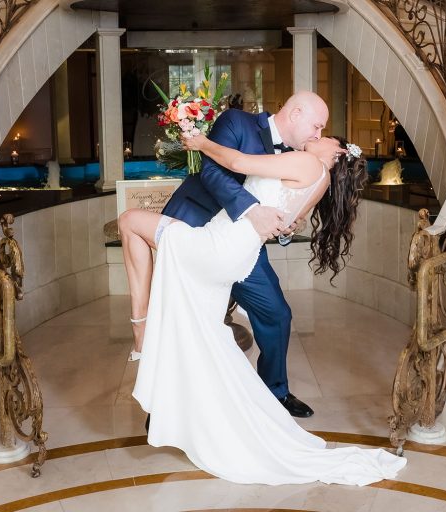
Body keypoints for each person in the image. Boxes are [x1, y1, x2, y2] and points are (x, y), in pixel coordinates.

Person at [116, 132, 407, 486]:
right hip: (235, 254)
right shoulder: (321, 182)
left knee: (130, 221)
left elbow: (239, 163)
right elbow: (285, 222)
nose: (316, 136)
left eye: (323, 136)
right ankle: (198, 411)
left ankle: (141, 331)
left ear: (338, 151)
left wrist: (200, 143)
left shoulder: (309, 163)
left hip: (220, 246)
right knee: (208, 339)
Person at [156, 90, 330, 418]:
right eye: (317, 126)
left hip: (242, 247)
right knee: (181, 316)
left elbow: (278, 202)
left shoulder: (296, 155)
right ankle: (165, 402)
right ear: (295, 114)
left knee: (277, 314)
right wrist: (251, 210)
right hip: (196, 226)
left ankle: (274, 393)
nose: (318, 135)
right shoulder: (237, 121)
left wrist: (286, 223)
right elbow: (210, 171)